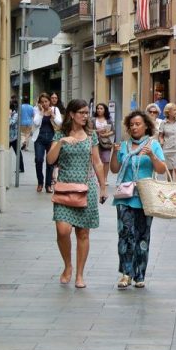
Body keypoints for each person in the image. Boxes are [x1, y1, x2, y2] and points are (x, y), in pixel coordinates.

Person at [46, 99, 108, 289]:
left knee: (83, 233)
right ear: (71, 114)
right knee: (62, 230)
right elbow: (50, 160)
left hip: (86, 188)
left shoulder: (91, 136)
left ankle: (80, 274)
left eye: (86, 112)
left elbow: (97, 162)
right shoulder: (59, 134)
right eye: (81, 112)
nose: (85, 115)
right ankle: (68, 266)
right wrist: (62, 141)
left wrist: (102, 186)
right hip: (65, 188)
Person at [110, 110, 167, 289]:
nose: (134, 127)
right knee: (125, 235)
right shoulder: (125, 146)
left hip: (145, 197)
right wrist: (114, 152)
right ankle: (126, 274)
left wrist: (151, 155)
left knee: (142, 236)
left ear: (146, 126)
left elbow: (161, 170)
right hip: (125, 197)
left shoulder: (153, 144)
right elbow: (114, 169)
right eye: (131, 125)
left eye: (138, 124)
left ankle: (140, 274)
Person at [32, 93, 63, 192]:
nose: (44, 104)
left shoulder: (55, 109)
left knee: (51, 162)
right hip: (39, 138)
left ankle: (48, 185)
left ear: (49, 101)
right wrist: (41, 112)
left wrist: (52, 115)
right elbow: (36, 123)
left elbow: (59, 123)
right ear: (39, 103)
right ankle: (40, 182)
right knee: (39, 159)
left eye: (46, 101)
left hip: (51, 138)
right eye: (42, 102)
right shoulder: (36, 110)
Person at [158, 102, 176, 182]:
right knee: (169, 171)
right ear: (168, 112)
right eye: (174, 110)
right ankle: (170, 188)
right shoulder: (163, 123)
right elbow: (160, 135)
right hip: (167, 149)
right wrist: (161, 142)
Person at [93, 103, 115, 176]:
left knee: (106, 160)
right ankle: (98, 177)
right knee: (96, 160)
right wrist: (97, 131)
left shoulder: (108, 120)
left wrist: (106, 134)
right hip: (95, 142)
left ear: (105, 110)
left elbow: (113, 131)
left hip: (106, 142)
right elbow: (89, 130)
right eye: (98, 108)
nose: (99, 110)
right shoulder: (93, 119)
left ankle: (105, 178)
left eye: (101, 108)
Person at [9, 100, 25, 173]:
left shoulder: (15, 115)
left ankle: (21, 168)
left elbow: (10, 123)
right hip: (8, 138)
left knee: (18, 153)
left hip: (14, 138)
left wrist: (9, 116)